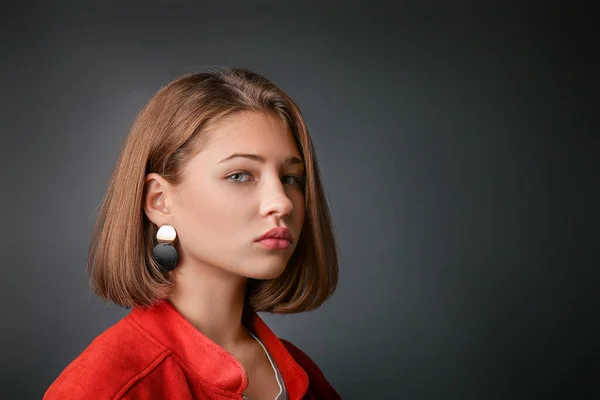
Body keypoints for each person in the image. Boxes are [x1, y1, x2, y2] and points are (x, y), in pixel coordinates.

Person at [43, 67, 340, 400]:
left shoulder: (303, 375)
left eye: (290, 178)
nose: (282, 203)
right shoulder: (107, 387)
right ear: (159, 201)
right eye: (240, 175)